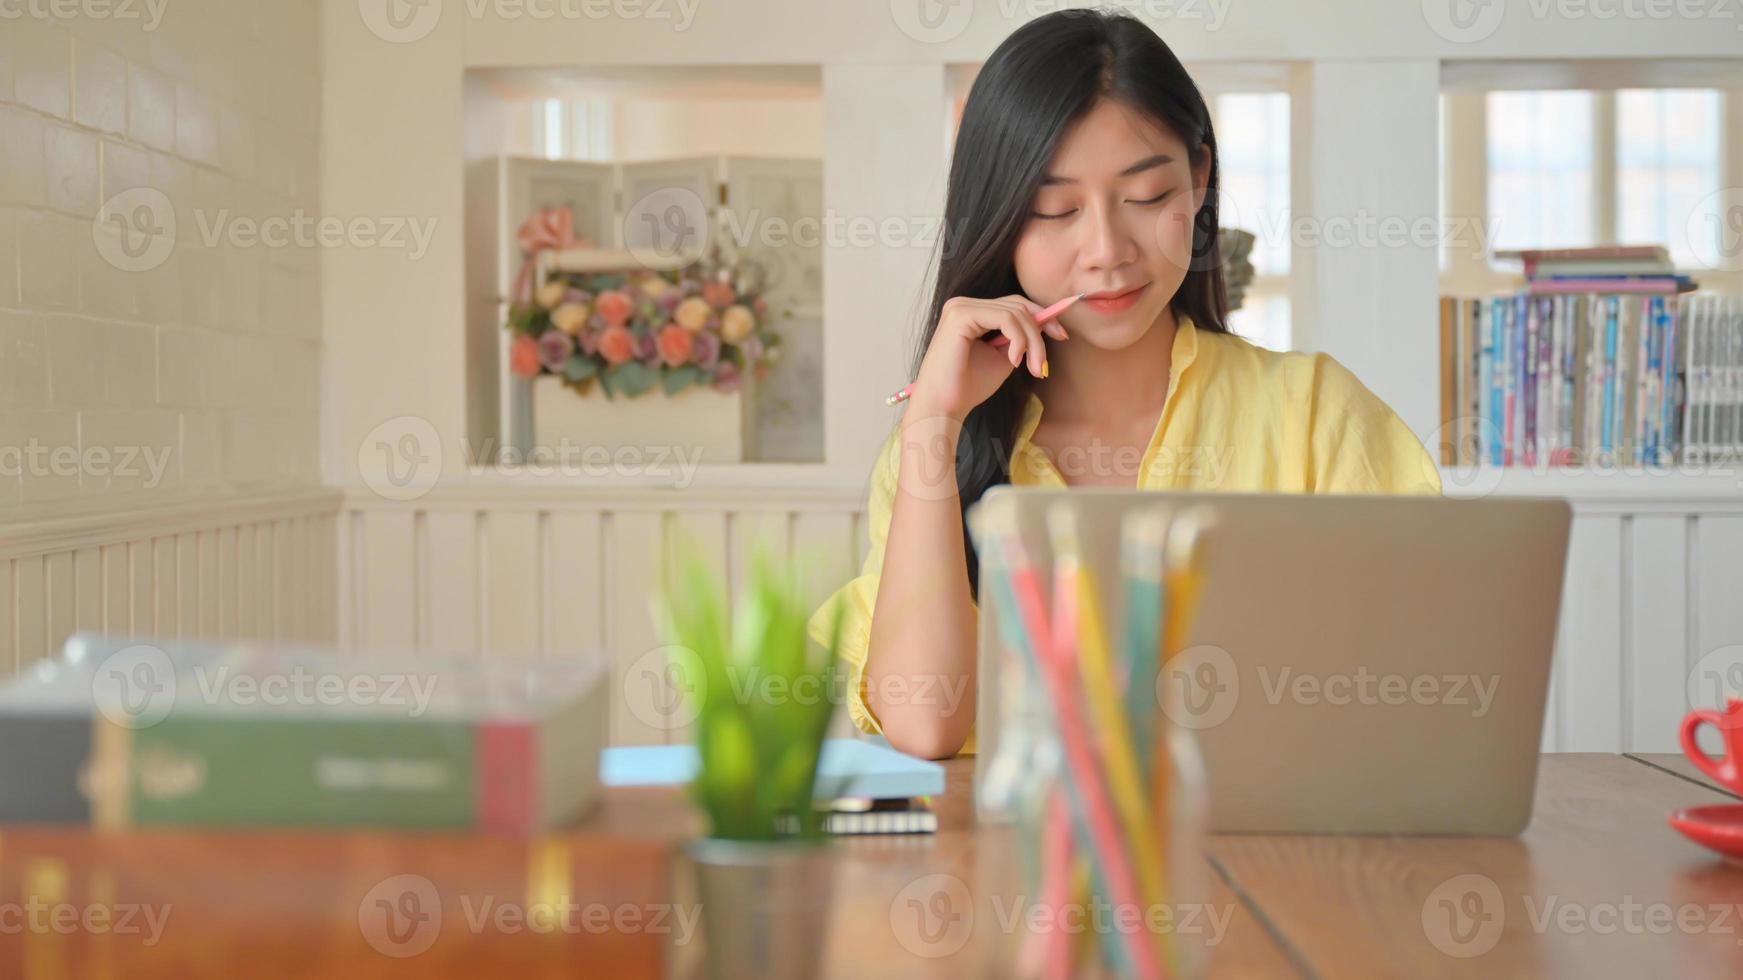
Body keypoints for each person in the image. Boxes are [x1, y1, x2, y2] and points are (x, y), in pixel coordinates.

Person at [808, 9, 1441, 760]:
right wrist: (933, 426)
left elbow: (1417, 696)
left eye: (1146, 199)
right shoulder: (931, 457)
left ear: (1199, 180)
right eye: (1054, 210)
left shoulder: (1314, 418)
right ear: (997, 219)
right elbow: (923, 727)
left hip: (1265, 864)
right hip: (1006, 870)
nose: (1106, 252)